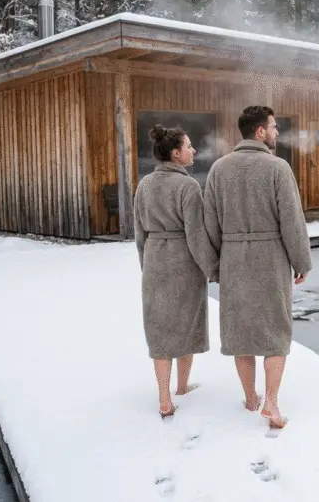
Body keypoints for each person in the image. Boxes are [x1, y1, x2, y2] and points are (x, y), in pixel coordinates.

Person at [203, 105, 312, 430]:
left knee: (242, 332)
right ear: (260, 131)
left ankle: (251, 398)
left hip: (234, 259)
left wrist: (217, 265)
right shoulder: (278, 168)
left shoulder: (219, 170)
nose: (278, 132)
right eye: (274, 127)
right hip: (271, 260)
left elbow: (209, 224)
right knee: (275, 330)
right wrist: (301, 261)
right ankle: (272, 403)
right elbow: (292, 221)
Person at [134, 125, 218, 419]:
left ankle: (163, 397)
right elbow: (196, 235)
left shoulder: (144, 185)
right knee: (186, 324)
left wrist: (148, 267)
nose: (194, 151)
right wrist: (213, 269)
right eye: (189, 146)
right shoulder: (188, 187)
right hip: (184, 262)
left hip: (156, 259)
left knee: (160, 329)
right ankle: (180, 388)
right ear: (176, 154)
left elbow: (139, 234)